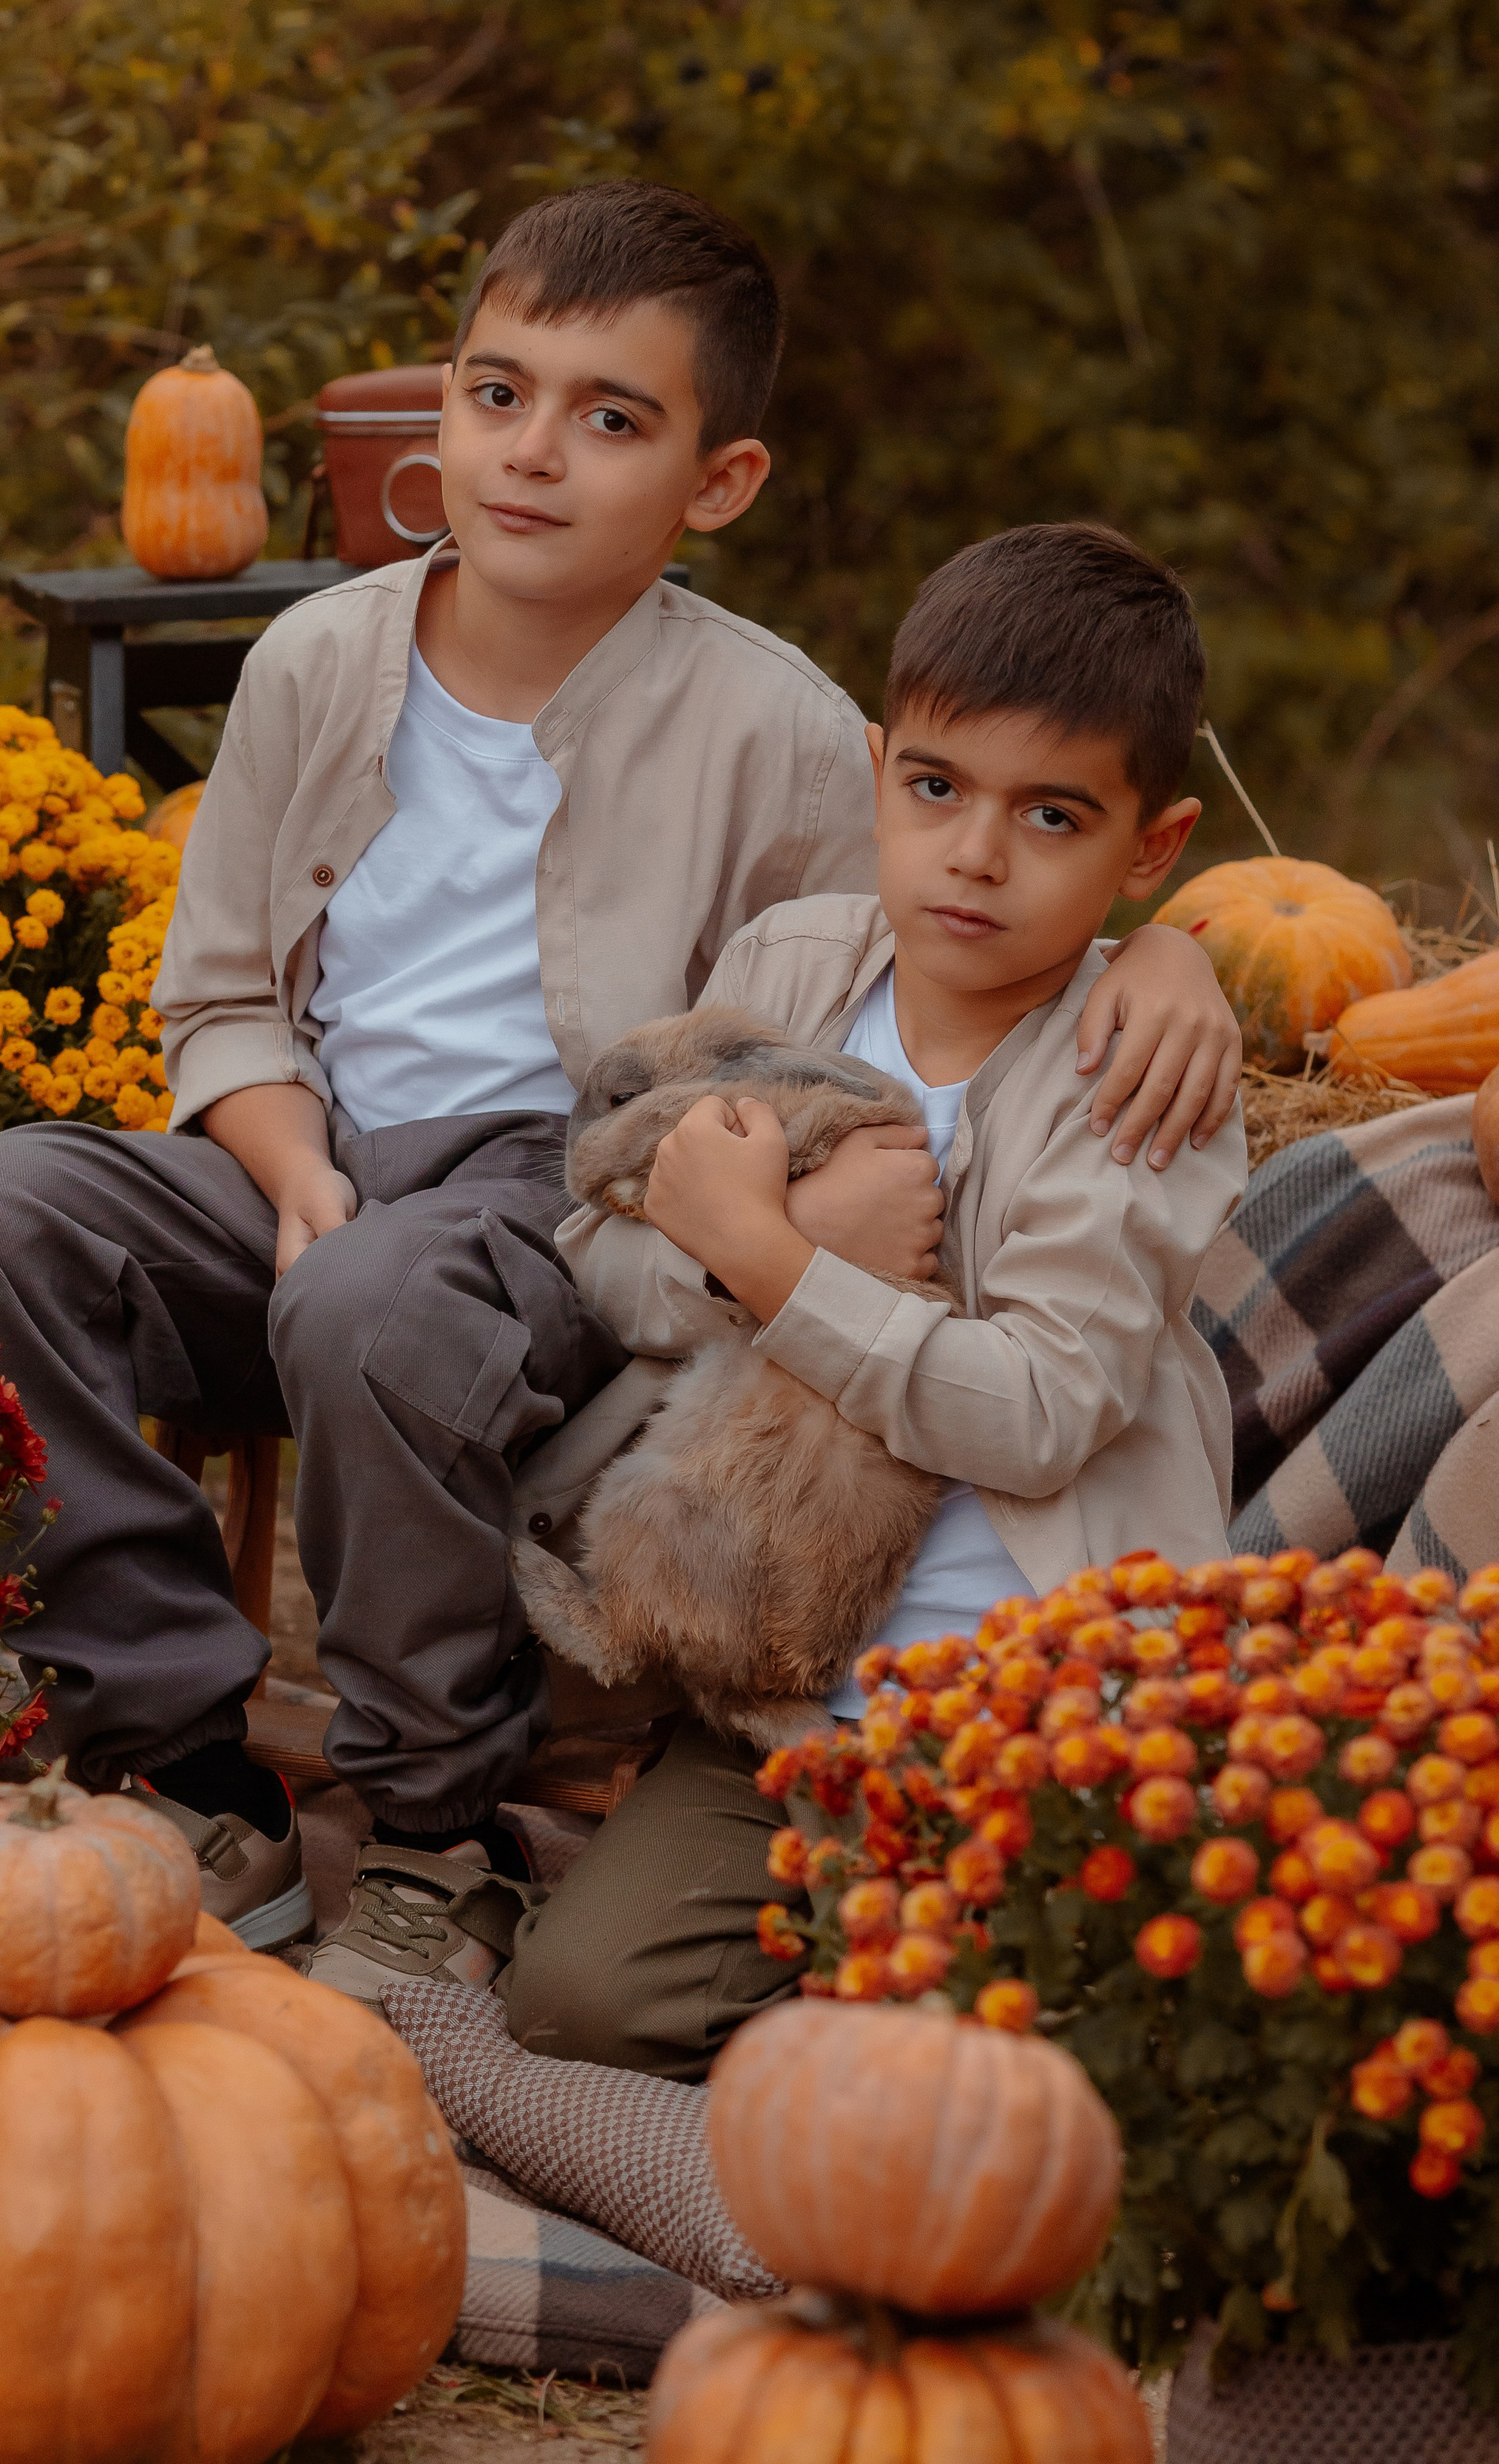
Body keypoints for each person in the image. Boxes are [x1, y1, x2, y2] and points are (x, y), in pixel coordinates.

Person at [0, 188, 1240, 1972]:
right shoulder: (316, 660)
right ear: (438, 416)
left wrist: (1174, 956)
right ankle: (179, 1756)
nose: (535, 455)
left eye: (612, 419)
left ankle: (437, 1813)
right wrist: (291, 1172)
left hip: (571, 1202)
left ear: (716, 483)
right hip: (319, 1159)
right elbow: (220, 1000)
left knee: (376, 1304)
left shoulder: (767, 726)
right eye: (496, 394)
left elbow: (972, 885)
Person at [503, 520, 1248, 2076]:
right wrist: (725, 1250)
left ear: (1149, 845)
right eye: (934, 789)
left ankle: (943, 1976)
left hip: (1042, 1701)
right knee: (578, 2000)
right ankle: (894, 1959)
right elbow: (604, 1254)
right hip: (783, 1700)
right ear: (873, 770)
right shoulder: (789, 966)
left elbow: (1039, 1414)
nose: (974, 853)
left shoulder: (1133, 1068)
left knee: (1086, 2043)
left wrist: (786, 1265)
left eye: (1050, 815)